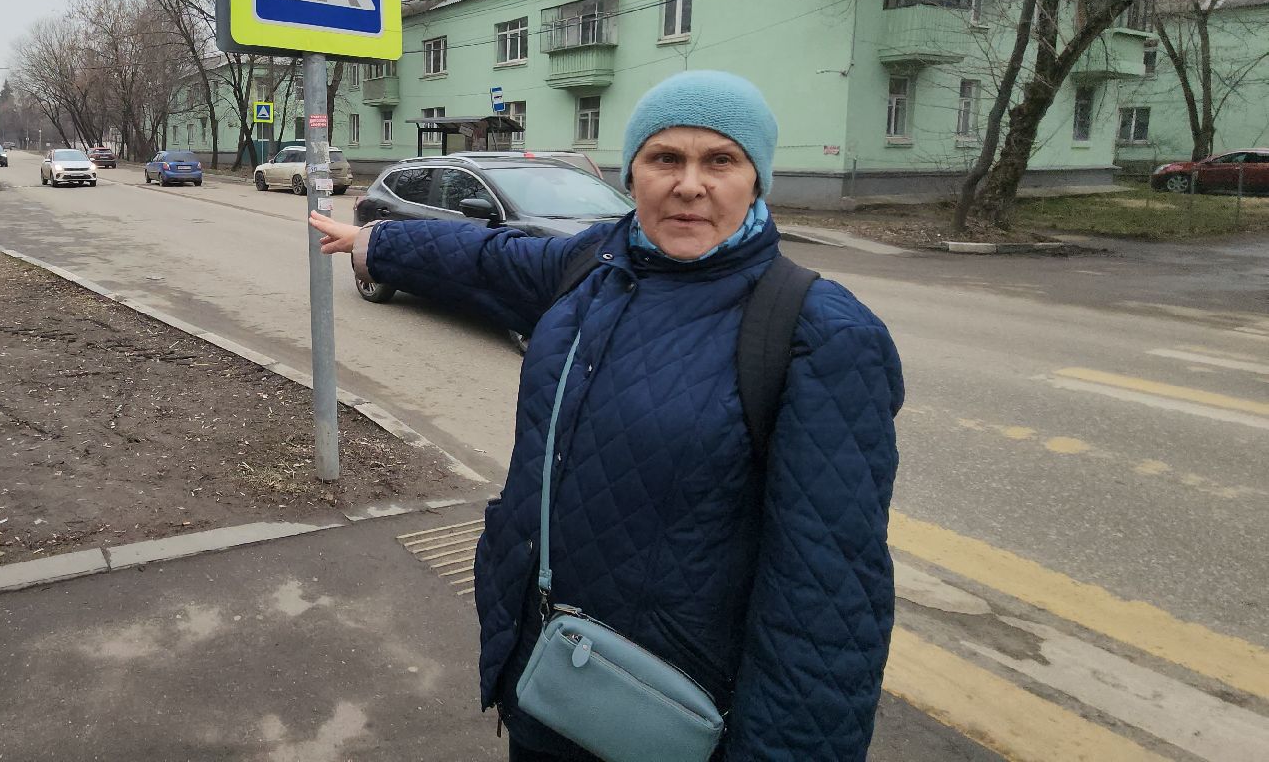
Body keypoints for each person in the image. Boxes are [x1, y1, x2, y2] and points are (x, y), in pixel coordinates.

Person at [309, 70, 902, 761]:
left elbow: (827, 604)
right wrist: (374, 243)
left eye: (720, 160)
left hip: (674, 711)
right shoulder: (598, 264)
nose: (689, 184)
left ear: (756, 179)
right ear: (633, 174)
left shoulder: (816, 330)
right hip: (549, 672)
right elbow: (488, 258)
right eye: (665, 159)